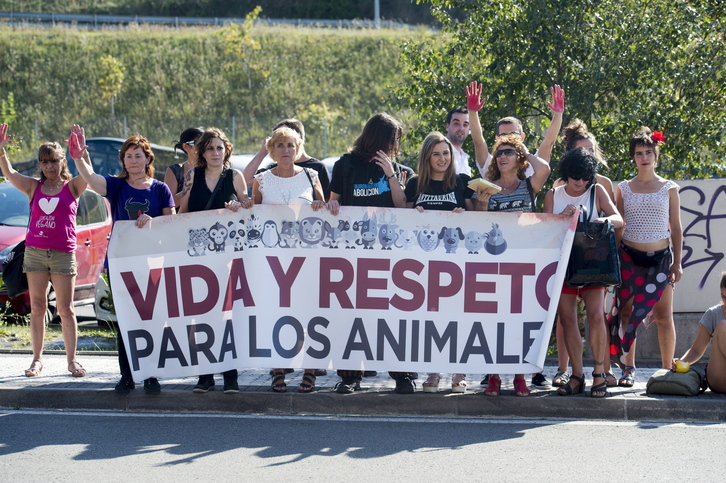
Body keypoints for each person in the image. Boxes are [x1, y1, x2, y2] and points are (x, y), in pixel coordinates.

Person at [467, 81, 563, 389]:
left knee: (521, 322)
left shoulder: (527, 183)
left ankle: (520, 375)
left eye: (509, 152)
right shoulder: (488, 185)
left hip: (526, 262)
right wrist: (481, 205)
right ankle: (494, 375)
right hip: (495, 262)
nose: (503, 157)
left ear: (518, 155)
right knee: (495, 321)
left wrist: (527, 146)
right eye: (500, 153)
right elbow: (480, 141)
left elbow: (545, 167)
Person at [72, 129, 175, 394]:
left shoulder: (161, 189)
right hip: (121, 265)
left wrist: (155, 223)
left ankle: (151, 376)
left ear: (147, 159)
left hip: (152, 264)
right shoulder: (117, 186)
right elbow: (92, 180)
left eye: (137, 156)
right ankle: (126, 376)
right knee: (126, 322)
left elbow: (172, 224)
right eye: (128, 156)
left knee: (152, 321)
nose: (132, 161)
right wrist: (78, 158)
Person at [327, 112, 415, 394]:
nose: (394, 145)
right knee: (353, 316)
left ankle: (403, 375)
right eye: (391, 139)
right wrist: (330, 208)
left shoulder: (401, 170)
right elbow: (334, 202)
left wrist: (390, 174)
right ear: (377, 137)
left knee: (394, 317)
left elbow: (405, 210)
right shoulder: (346, 165)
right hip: (353, 255)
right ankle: (351, 375)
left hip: (391, 256)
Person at [0, 124, 88, 379]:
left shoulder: (73, 187)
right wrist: (1, 150)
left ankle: (72, 362)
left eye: (54, 161)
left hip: (63, 253)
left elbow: (89, 175)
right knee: (37, 306)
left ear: (62, 161)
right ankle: (37, 360)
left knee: (66, 309)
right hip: (35, 253)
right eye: (45, 162)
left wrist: (81, 154)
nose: (50, 166)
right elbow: (10, 172)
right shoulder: (33, 187)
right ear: (40, 164)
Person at [252, 126, 327, 393]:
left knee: (309, 314)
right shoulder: (261, 180)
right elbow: (254, 215)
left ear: (298, 149)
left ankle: (309, 370)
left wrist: (321, 206)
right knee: (276, 313)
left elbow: (326, 211)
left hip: (307, 259)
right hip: (274, 260)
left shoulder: (312, 175)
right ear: (271, 150)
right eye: (280, 145)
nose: (286, 150)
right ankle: (277, 368)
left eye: (291, 146)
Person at [607, 127, 683, 387]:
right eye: (639, 153)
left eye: (649, 152)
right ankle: (628, 369)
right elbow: (618, 226)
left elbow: (676, 227)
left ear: (656, 155)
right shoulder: (624, 188)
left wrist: (678, 262)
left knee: (663, 316)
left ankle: (665, 370)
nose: (644, 157)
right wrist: (614, 262)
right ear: (633, 157)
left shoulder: (669, 188)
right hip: (629, 258)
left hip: (661, 259)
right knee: (627, 315)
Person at [178, 127, 253, 393]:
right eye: (209, 148)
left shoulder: (235, 176)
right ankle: (205, 375)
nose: (215, 153)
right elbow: (183, 211)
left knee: (226, 316)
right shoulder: (191, 176)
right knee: (200, 316)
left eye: (219, 148)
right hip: (198, 257)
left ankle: (230, 376)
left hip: (227, 257)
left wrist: (238, 206)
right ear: (201, 152)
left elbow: (248, 209)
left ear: (226, 150)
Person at [544, 148, 623, 397]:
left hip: (593, 261)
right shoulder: (553, 194)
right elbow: (543, 230)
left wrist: (605, 220)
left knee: (596, 316)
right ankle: (576, 375)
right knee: (567, 318)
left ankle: (599, 373)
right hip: (563, 263)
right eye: (576, 177)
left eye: (586, 177)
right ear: (567, 174)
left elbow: (619, 218)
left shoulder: (596, 190)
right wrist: (560, 218)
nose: (581, 182)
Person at [405, 131, 474, 393]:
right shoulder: (415, 184)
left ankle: (459, 372)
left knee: (458, 317)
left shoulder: (461, 182)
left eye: (446, 153)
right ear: (427, 157)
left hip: (457, 263)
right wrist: (414, 215)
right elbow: (404, 221)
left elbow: (476, 218)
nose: (442, 158)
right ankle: (434, 371)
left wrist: (463, 215)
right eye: (436, 154)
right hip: (423, 264)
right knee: (430, 319)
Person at [471, 82, 565, 178]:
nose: (509, 138)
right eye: (503, 135)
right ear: (497, 139)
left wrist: (558, 114)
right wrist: (472, 112)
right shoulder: (491, 166)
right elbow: (478, 142)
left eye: (513, 133)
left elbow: (549, 142)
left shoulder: (532, 164)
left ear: (522, 137)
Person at [243, 118, 331, 199]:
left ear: (297, 139)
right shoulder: (272, 171)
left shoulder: (315, 170)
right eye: (279, 144)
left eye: (289, 144)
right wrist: (262, 153)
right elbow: (246, 181)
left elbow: (326, 203)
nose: (285, 150)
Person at [673, 272, 726, 393]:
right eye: (723, 296)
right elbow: (696, 350)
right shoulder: (713, 313)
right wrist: (681, 363)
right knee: (723, 325)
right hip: (720, 376)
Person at [164, 127, 203, 208]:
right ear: (186, 146)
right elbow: (168, 205)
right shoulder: (175, 170)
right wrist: (191, 187)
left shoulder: (213, 169)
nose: (203, 146)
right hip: (181, 220)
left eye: (205, 142)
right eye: (198, 142)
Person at [444, 107, 472, 176]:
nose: (461, 128)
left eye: (465, 125)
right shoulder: (439, 151)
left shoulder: (464, 157)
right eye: (456, 123)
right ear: (447, 126)